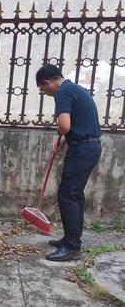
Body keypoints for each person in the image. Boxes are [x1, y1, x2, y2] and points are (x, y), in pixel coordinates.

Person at [36, 64, 102, 262]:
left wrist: (62, 132)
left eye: (42, 89)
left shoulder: (62, 92)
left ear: (48, 82)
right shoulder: (76, 89)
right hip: (89, 147)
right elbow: (81, 123)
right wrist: (66, 140)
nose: (44, 93)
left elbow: (65, 125)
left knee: (68, 195)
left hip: (82, 150)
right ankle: (70, 239)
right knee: (74, 195)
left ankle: (72, 247)